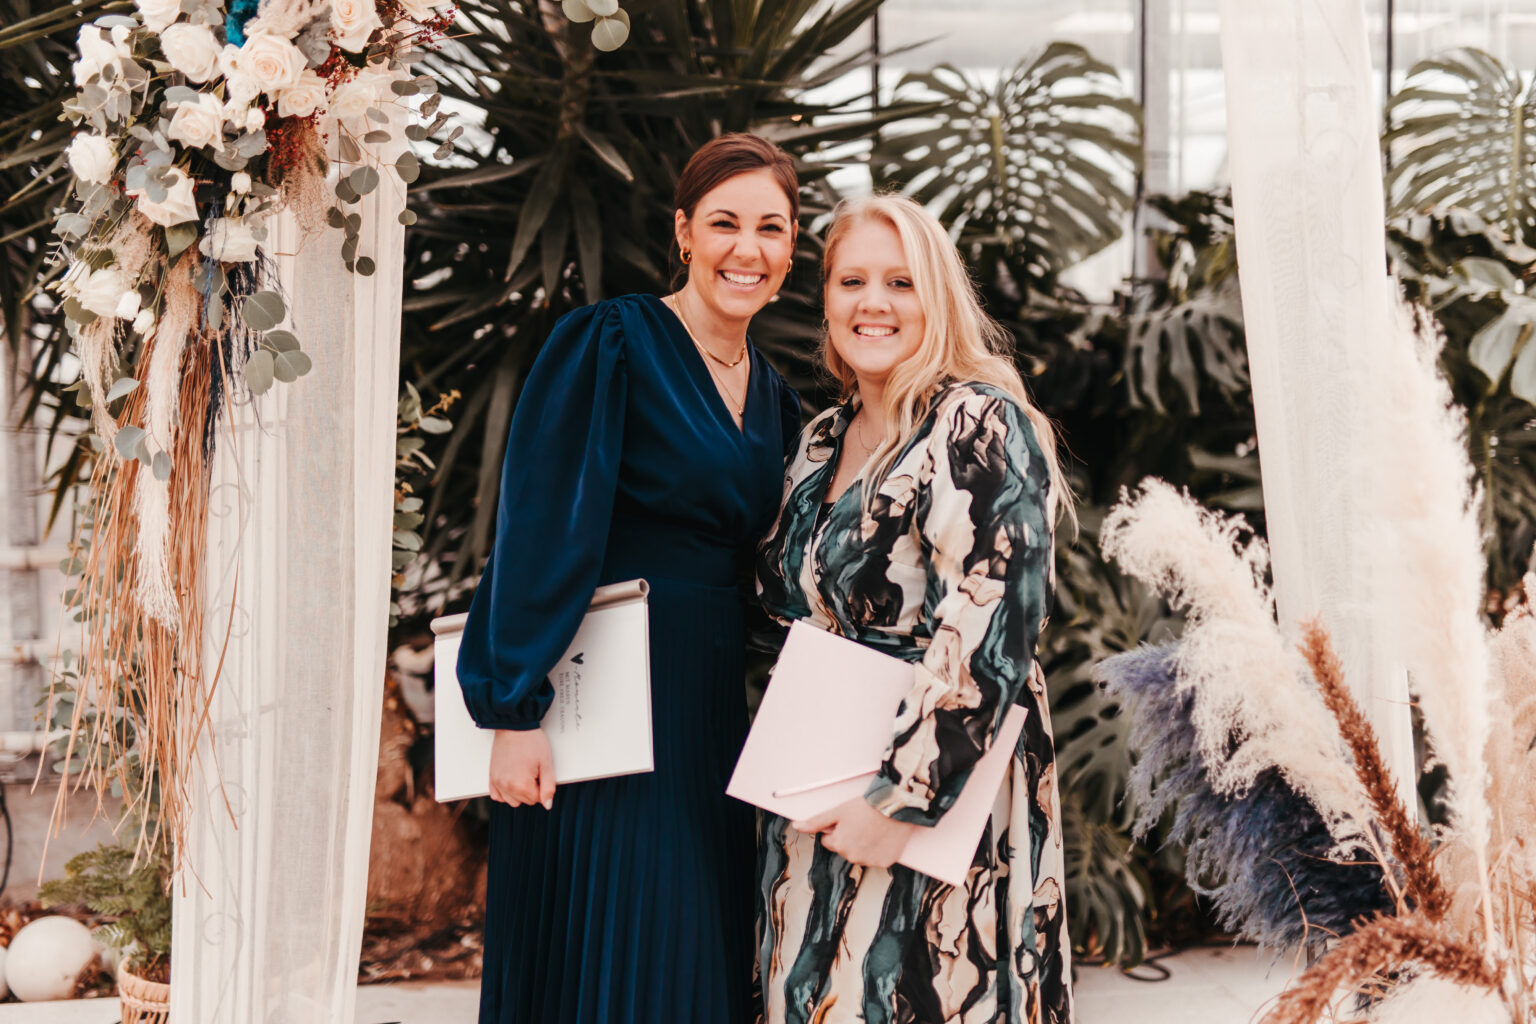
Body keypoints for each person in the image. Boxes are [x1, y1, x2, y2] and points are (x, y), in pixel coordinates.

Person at [455, 133, 803, 1024]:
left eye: (771, 227)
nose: (747, 248)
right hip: (601, 704)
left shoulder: (776, 397)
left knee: (696, 956)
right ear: (684, 232)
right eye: (725, 223)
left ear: (792, 248)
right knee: (621, 948)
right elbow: (539, 526)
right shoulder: (612, 341)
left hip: (713, 707)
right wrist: (512, 709)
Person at [754, 193, 1074, 1024]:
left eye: (900, 282)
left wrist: (899, 804)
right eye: (852, 280)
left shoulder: (975, 422)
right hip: (818, 782)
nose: (873, 303)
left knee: (916, 991)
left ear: (937, 296)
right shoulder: (821, 437)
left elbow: (994, 625)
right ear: (825, 298)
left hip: (937, 785)